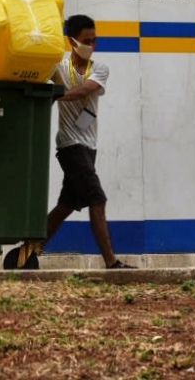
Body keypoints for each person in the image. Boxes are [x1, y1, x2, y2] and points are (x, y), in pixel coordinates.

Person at [44, 14, 132, 269]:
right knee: (97, 199)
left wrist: (56, 95)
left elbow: (85, 90)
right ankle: (111, 262)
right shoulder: (58, 67)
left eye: (94, 40)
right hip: (70, 146)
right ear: (71, 41)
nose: (91, 45)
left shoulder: (100, 69)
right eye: (86, 40)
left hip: (88, 147)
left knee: (65, 206)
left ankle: (28, 250)